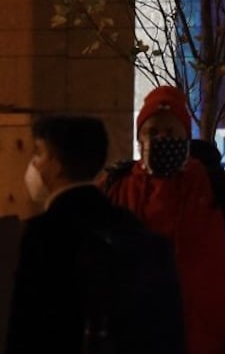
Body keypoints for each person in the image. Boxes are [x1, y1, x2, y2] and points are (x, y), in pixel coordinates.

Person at [106, 86, 225, 353]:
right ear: (139, 139)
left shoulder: (218, 188)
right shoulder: (116, 190)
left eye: (170, 132)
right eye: (152, 132)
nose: (161, 139)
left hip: (207, 344)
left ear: (186, 136)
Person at [6, 115, 184, 353]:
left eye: (39, 153)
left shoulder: (44, 234)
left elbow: (28, 327)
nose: (34, 164)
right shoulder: (128, 224)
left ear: (57, 164)